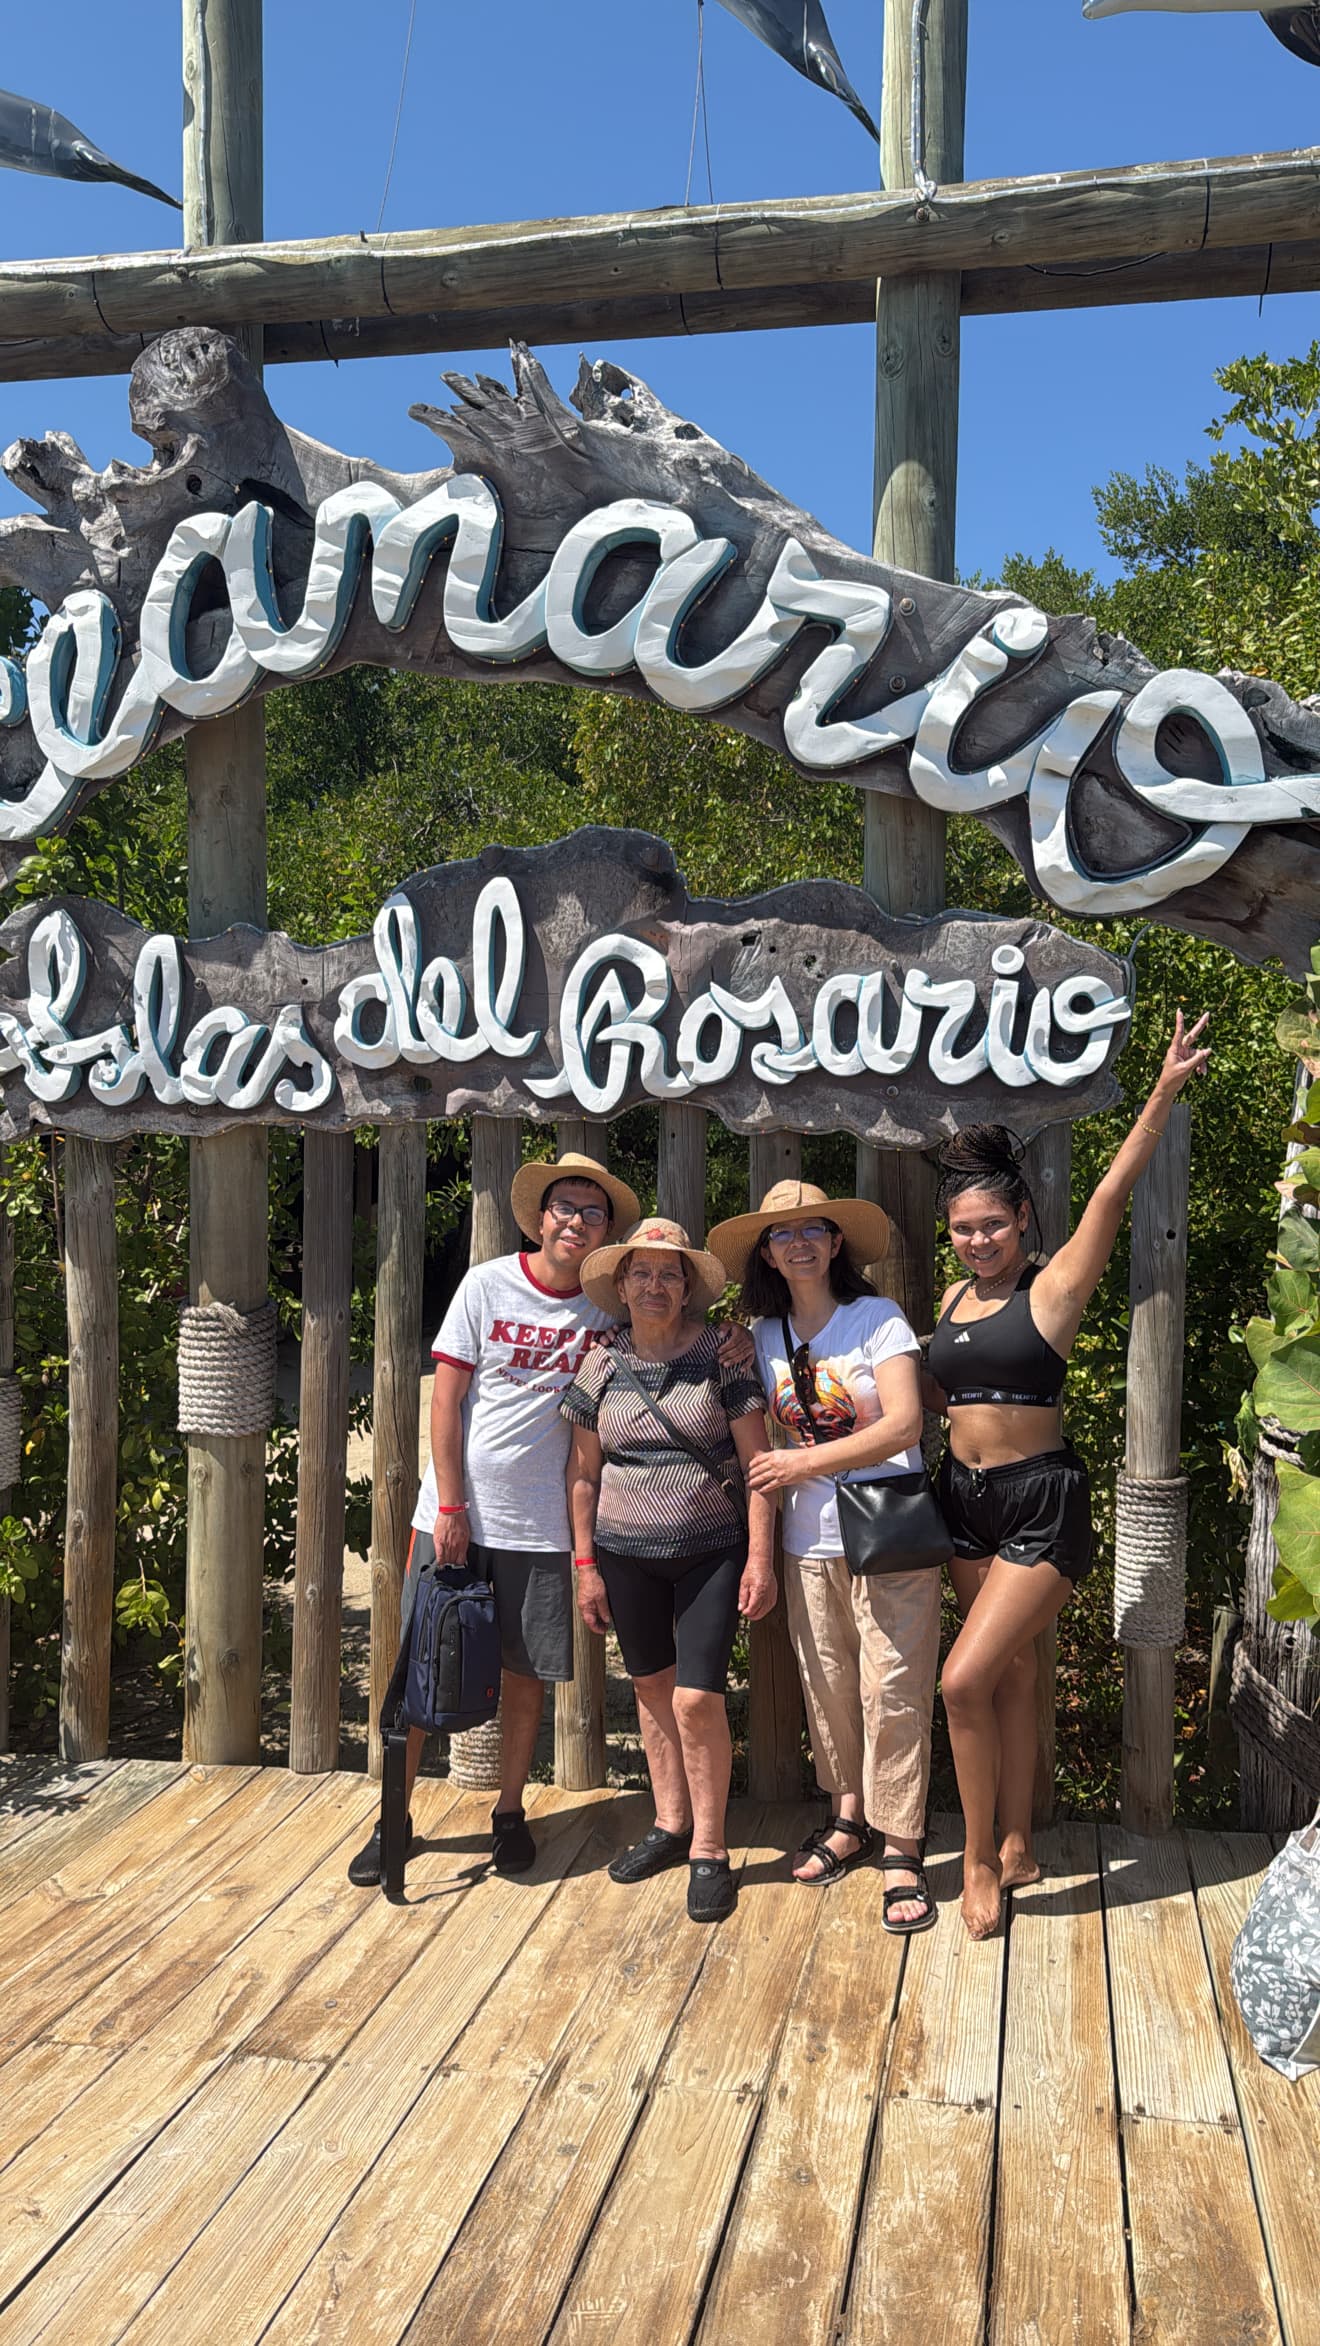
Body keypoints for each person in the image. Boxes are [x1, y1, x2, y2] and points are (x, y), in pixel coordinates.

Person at [927, 1011, 1211, 1940]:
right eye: (964, 1230)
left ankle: (974, 1867)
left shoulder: (1051, 1290)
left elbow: (1110, 1197)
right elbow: (953, 1397)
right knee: (1004, 1681)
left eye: (992, 1226)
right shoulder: (953, 1299)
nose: (977, 1242)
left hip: (1041, 1506)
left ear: (1021, 1220)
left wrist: (1162, 1095)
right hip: (962, 1501)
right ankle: (1014, 1841)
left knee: (962, 1683)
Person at [347, 1149, 640, 1887]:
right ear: (541, 1216)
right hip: (459, 1517)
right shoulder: (487, 1285)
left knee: (524, 1675)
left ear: (606, 1228)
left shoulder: (610, 1305)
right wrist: (450, 1503)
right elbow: (444, 1398)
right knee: (423, 1665)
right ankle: (395, 1816)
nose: (575, 1220)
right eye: (565, 1207)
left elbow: (678, 1328)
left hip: (543, 1525)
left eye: (592, 1211)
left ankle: (508, 1811)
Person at [708, 1180, 939, 1932]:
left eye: (812, 1229)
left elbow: (904, 1424)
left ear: (836, 1243)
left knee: (893, 1689)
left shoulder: (878, 1320)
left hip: (888, 1535)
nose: (797, 1243)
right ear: (767, 1255)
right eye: (782, 1234)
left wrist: (803, 1465)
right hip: (809, 1541)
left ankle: (903, 1842)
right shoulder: (761, 1335)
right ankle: (850, 1817)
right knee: (829, 1687)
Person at [561, 1216, 779, 1923]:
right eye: (642, 1273)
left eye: (669, 1274)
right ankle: (669, 1821)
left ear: (689, 1287)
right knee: (651, 1688)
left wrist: (760, 1556)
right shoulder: (600, 1359)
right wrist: (585, 1565)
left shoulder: (724, 1353)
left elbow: (758, 1466)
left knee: (695, 1697)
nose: (655, 1285)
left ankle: (710, 1848)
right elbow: (584, 1471)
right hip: (624, 1555)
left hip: (710, 1550)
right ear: (620, 1284)